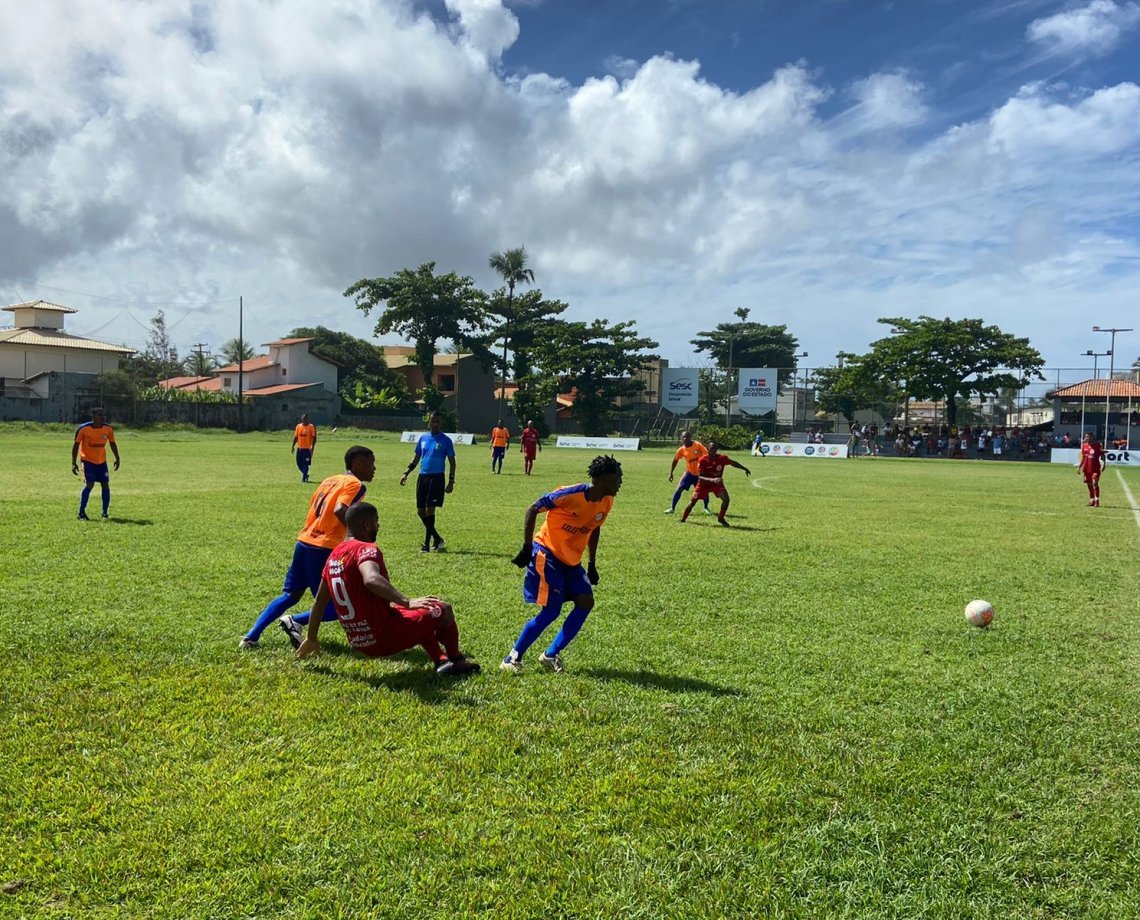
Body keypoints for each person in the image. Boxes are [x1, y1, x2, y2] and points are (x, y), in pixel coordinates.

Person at [295, 503, 480, 675]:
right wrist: (407, 600)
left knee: (411, 612)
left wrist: (311, 639)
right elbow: (371, 579)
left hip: (359, 641)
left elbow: (319, 601)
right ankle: (456, 660)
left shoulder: (333, 556)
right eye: (376, 522)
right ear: (366, 525)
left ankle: (441, 661)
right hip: (384, 637)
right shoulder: (365, 549)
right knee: (443, 608)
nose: (378, 526)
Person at [239, 445, 375, 649]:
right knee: (342, 606)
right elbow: (340, 509)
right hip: (324, 547)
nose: (374, 468)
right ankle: (295, 620)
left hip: (304, 542)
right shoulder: (355, 484)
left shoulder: (330, 479)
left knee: (290, 595)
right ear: (357, 464)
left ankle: (250, 637)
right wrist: (357, 536)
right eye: (371, 463)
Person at [501, 455, 623, 674]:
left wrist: (592, 562)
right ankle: (512, 657)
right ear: (602, 480)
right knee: (552, 610)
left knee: (585, 601)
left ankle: (550, 654)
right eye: (617, 479)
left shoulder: (607, 500)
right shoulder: (571, 494)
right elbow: (532, 509)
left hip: (571, 560)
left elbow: (595, 527)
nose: (620, 482)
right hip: (546, 552)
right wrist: (527, 547)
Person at [401, 411, 455, 552]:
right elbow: (416, 458)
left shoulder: (446, 440)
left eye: (437, 421)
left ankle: (427, 545)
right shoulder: (423, 439)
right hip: (422, 477)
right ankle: (438, 539)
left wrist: (451, 481)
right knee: (420, 511)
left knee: (429, 509)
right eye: (433, 421)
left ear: (440, 423)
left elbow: (452, 462)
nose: (435, 424)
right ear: (429, 422)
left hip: (437, 478)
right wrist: (406, 473)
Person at [679, 440, 750, 527]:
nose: (713, 450)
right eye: (712, 448)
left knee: (726, 499)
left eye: (715, 448)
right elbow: (700, 477)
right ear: (708, 449)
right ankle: (683, 519)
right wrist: (713, 480)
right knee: (693, 502)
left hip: (716, 484)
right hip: (703, 485)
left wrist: (744, 468)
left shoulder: (721, 458)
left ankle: (721, 518)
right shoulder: (702, 460)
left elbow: (733, 463)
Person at [72, 407, 121, 520]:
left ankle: (105, 513)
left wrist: (117, 458)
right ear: (93, 416)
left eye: (103, 415)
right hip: (87, 461)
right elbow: (75, 446)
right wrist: (73, 463)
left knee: (105, 484)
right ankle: (81, 513)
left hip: (101, 462)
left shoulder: (108, 429)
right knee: (90, 484)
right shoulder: (83, 429)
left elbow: (113, 443)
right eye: (100, 415)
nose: (103, 417)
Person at [666, 430, 711, 515]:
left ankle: (706, 507)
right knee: (679, 489)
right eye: (683, 437)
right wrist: (671, 473)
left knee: (704, 491)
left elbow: (707, 454)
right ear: (681, 438)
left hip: (700, 474)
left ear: (690, 437)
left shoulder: (697, 445)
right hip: (689, 473)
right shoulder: (681, 450)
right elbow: (675, 460)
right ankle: (672, 508)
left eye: (687, 436)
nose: (685, 438)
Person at [1079, 432, 1106, 507]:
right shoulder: (1084, 446)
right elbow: (1083, 458)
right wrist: (1079, 467)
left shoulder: (1098, 445)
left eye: (1089, 436)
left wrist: (1103, 464)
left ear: (1093, 437)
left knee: (1095, 483)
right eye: (1086, 436)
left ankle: (1097, 501)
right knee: (1089, 485)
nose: (1087, 438)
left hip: (1095, 469)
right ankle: (1092, 500)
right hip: (1086, 469)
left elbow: (1102, 455)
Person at [290, 414, 317, 482]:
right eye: (303, 419)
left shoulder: (311, 427)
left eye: (306, 419)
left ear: (308, 419)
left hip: (307, 449)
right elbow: (296, 437)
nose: (305, 420)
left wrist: (312, 446)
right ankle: (305, 474)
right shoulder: (298, 426)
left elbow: (314, 437)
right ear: (302, 419)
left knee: (306, 464)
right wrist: (293, 446)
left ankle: (304, 478)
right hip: (300, 448)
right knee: (299, 463)